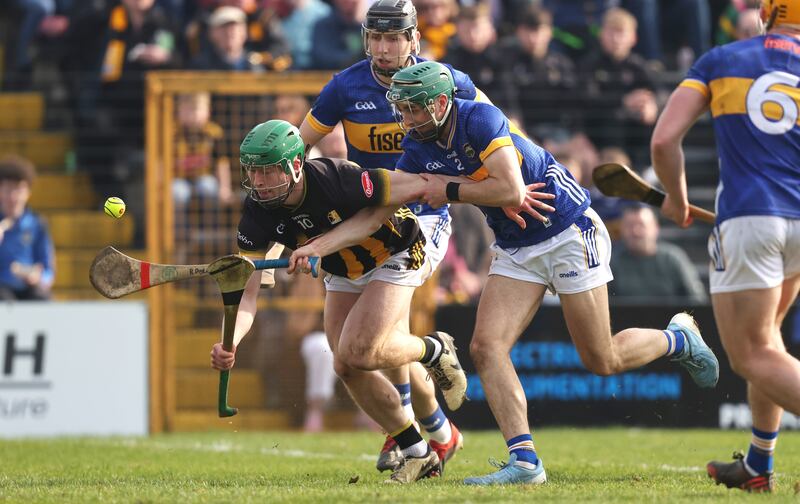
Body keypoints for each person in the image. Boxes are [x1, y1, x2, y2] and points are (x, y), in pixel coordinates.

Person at [300, 60, 719, 486]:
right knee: (485, 347)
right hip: (516, 244)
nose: (404, 119)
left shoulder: (480, 118)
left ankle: (677, 338)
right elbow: (377, 214)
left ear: (442, 103)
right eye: (401, 109)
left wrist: (446, 189)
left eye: (413, 109)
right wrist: (321, 244)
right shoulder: (417, 150)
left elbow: (511, 189)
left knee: (602, 359)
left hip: (568, 230)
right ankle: (525, 462)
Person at [210, 119, 468, 484]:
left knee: (361, 351)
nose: (260, 182)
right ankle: (417, 452)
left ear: (295, 165)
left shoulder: (336, 176)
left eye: (268, 171)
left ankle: (433, 349)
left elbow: (406, 190)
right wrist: (231, 342)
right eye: (253, 171)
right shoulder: (256, 212)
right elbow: (247, 296)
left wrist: (319, 245)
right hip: (344, 271)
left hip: (395, 251)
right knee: (345, 365)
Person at [298, 0, 492, 473]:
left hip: (420, 219)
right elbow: (297, 148)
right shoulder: (345, 86)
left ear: (413, 40)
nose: (383, 49)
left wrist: (520, 178)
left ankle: (405, 436)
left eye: (393, 38)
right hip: (360, 221)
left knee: (369, 346)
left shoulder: (445, 80)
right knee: (349, 361)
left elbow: (496, 128)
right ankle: (441, 435)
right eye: (376, 38)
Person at [650, 0, 800, 493]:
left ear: (765, 14)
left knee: (751, 355)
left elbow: (664, 141)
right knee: (770, 340)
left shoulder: (723, 60)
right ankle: (759, 465)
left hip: (752, 218)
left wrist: (676, 197)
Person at [609, 205, 707, 304]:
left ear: (656, 228)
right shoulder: (612, 262)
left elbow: (697, 300)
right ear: (621, 229)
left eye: (642, 225)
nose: (636, 232)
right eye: (630, 226)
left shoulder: (673, 259)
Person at [0, 155, 54, 301]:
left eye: (18, 189)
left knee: (43, 299)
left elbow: (48, 270)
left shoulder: (37, 224)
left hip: (28, 289)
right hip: (2, 290)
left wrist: (38, 277)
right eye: (8, 189)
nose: (13, 197)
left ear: (28, 192)